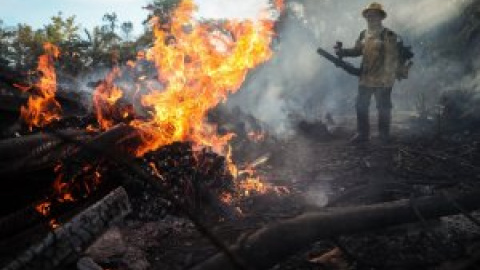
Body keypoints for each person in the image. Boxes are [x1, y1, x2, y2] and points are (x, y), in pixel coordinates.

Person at [335, 2, 405, 143]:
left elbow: (392, 58)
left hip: (383, 78)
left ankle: (384, 135)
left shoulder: (388, 34)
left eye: (374, 15)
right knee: (361, 105)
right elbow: (357, 51)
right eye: (368, 15)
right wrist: (342, 52)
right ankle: (362, 134)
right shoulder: (363, 34)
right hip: (366, 77)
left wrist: (388, 78)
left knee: (383, 107)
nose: (370, 18)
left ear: (380, 17)